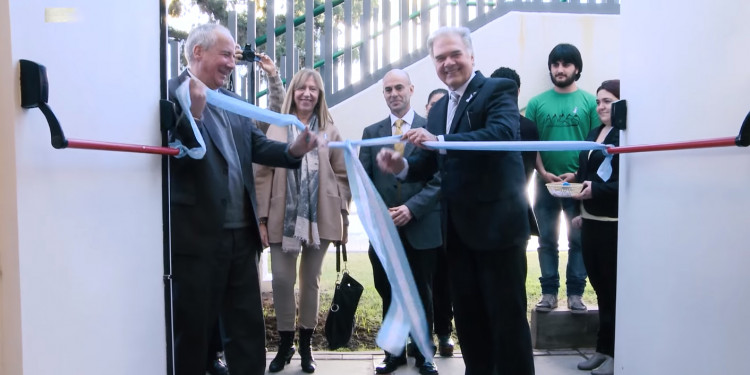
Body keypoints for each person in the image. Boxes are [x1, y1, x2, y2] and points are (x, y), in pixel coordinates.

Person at [377, 26, 535, 375]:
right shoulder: (438, 109)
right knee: (469, 323)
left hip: (498, 231)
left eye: (454, 55)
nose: (448, 63)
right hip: (457, 235)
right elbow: (429, 162)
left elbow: (502, 135)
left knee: (507, 324)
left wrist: (441, 139)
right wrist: (400, 166)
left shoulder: (497, 90)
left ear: (471, 56)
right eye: (440, 58)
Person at [168, 23, 320, 375]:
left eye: (233, 56)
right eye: (225, 54)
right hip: (198, 238)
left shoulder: (235, 103)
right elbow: (175, 153)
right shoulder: (169, 95)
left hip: (242, 236)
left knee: (246, 328)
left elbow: (256, 145)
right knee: (193, 331)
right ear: (197, 53)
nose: (231, 63)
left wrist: (293, 150)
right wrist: (194, 115)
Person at [255, 68, 351, 374]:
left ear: (320, 94)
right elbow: (261, 173)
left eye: (313, 89)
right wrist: (261, 218)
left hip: (320, 218)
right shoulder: (278, 128)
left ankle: (307, 344)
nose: (307, 93)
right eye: (301, 88)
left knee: (311, 281)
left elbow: (343, 174)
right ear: (293, 92)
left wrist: (343, 214)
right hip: (281, 216)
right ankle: (286, 344)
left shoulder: (330, 130)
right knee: (283, 281)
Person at [359, 69, 442, 375]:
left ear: (411, 88)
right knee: (389, 290)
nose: (393, 94)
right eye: (388, 90)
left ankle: (424, 354)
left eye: (399, 88)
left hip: (421, 225)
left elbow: (439, 178)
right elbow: (365, 182)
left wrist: (412, 208)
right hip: (384, 230)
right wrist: (380, 217)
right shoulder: (371, 133)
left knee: (421, 291)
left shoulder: (430, 129)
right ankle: (393, 354)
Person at [526, 43, 598, 313]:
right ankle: (548, 293)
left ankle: (576, 294)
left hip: (577, 185)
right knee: (546, 239)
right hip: (545, 184)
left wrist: (579, 173)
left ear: (576, 68)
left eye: (566, 64)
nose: (560, 69)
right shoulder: (536, 103)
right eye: (555, 65)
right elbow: (531, 145)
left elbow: (593, 144)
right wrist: (543, 172)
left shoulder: (590, 102)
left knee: (577, 240)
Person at [567, 80, 620, 375]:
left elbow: (623, 181)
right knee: (599, 289)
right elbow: (586, 174)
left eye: (608, 101)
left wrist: (595, 193)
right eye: (599, 101)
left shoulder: (626, 135)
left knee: (612, 290)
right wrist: (576, 196)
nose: (601, 106)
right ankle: (602, 349)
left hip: (613, 224)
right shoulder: (592, 133)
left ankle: (616, 352)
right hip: (590, 222)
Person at [423, 87, 456, 358]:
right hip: (423, 218)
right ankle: (422, 337)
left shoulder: (449, 140)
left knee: (445, 279)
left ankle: (445, 332)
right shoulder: (420, 138)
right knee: (424, 282)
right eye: (434, 107)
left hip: (449, 220)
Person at [490, 67, 541, 237]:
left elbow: (526, 171)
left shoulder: (528, 127)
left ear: (518, 92)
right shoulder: (482, 124)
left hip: (513, 207)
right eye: (498, 90)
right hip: (489, 209)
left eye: (507, 91)